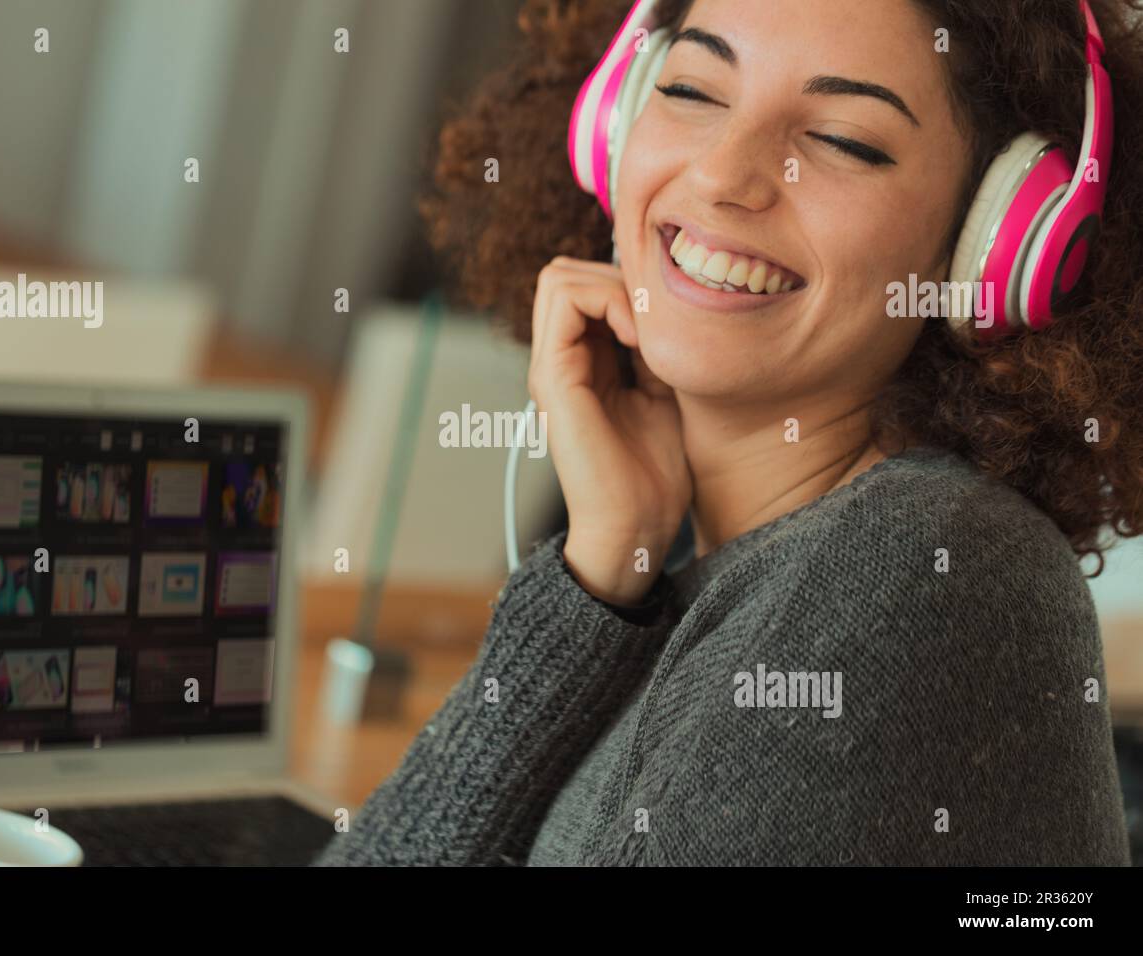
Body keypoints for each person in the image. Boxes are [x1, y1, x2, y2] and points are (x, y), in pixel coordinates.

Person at [315, 0, 1142, 866]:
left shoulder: (925, 569)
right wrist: (602, 569)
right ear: (616, 118)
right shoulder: (739, 568)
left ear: (996, 246)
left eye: (845, 141)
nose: (724, 174)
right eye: (694, 90)